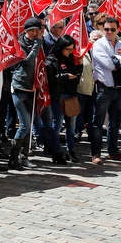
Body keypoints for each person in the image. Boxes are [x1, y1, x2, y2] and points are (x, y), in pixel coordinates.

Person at [89, 17, 121, 164]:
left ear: (118, 30)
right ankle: (96, 154)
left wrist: (119, 61)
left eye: (112, 29)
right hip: (104, 89)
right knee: (98, 122)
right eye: (106, 29)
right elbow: (109, 64)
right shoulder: (98, 45)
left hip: (120, 89)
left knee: (115, 122)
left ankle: (113, 151)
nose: (109, 32)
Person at [9, 17, 45, 170]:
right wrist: (37, 45)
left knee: (28, 126)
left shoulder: (38, 43)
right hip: (19, 87)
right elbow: (28, 61)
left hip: (33, 87)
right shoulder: (20, 43)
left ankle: (24, 157)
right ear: (26, 31)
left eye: (37, 31)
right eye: (31, 31)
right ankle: (13, 158)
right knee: (24, 125)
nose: (34, 34)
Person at [45, 35, 82, 163]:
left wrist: (80, 67)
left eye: (72, 49)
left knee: (71, 127)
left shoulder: (71, 58)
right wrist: (65, 76)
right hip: (58, 96)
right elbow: (50, 79)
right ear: (61, 47)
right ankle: (57, 152)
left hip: (71, 96)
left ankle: (71, 151)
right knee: (57, 125)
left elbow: (77, 77)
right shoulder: (52, 59)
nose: (70, 52)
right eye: (68, 49)